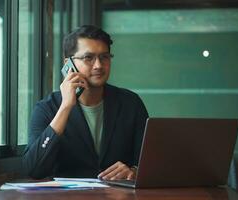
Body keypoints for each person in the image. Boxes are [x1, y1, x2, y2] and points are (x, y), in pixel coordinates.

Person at [23, 25, 148, 180]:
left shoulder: (131, 103)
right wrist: (65, 107)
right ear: (68, 64)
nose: (98, 65)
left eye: (104, 57)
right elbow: (34, 169)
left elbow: (149, 161)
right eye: (88, 58)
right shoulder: (47, 108)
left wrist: (134, 172)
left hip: (118, 195)